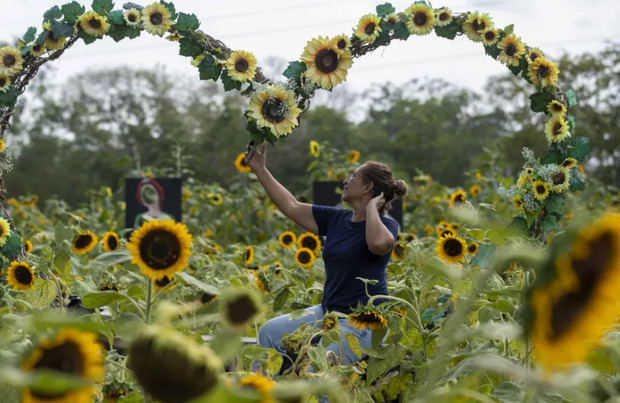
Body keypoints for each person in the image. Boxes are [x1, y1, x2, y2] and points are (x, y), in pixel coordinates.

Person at [244, 142, 408, 374]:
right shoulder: (337, 219)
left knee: (317, 372)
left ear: (367, 187)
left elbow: (378, 244)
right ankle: (259, 393)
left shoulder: (387, 225)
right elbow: (291, 206)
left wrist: (372, 209)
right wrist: (260, 170)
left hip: (364, 322)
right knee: (269, 332)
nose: (346, 181)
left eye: (353, 177)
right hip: (328, 313)